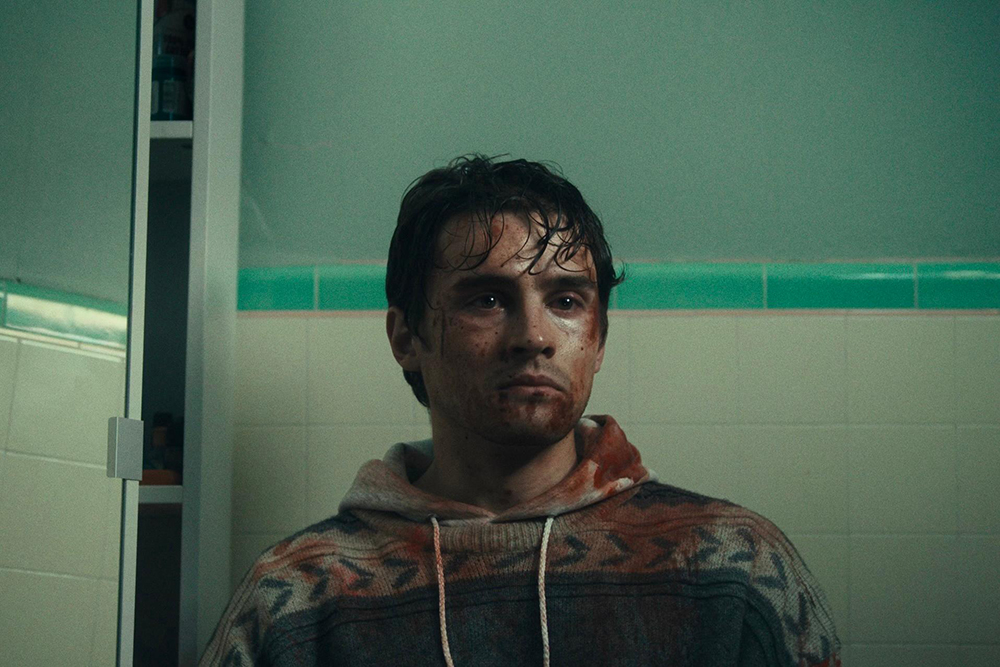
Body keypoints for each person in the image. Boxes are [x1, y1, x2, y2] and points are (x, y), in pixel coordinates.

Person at [200, 155, 841, 666]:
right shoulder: (297, 598)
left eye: (566, 301)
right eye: (486, 299)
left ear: (599, 340)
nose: (533, 336)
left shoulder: (734, 567)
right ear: (406, 338)